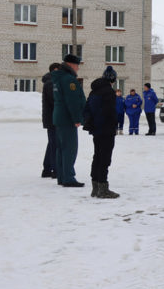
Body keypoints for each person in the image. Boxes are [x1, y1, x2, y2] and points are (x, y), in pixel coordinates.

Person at [84, 66, 120, 198]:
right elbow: (110, 112)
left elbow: (87, 108)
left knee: (97, 156)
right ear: (113, 79)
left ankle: (95, 188)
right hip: (106, 129)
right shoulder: (109, 92)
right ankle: (103, 188)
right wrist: (114, 125)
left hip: (96, 129)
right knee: (105, 158)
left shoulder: (94, 91)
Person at [51, 53, 86, 187]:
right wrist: (77, 118)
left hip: (59, 117)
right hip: (67, 119)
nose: (78, 68)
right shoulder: (68, 80)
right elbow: (72, 101)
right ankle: (68, 178)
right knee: (69, 149)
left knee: (61, 149)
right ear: (71, 65)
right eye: (77, 65)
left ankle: (62, 176)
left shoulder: (58, 78)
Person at [41, 62, 61, 179]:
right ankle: (54, 169)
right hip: (53, 118)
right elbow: (55, 100)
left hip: (52, 118)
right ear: (54, 70)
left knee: (52, 143)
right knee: (55, 144)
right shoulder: (50, 83)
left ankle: (47, 168)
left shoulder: (51, 82)